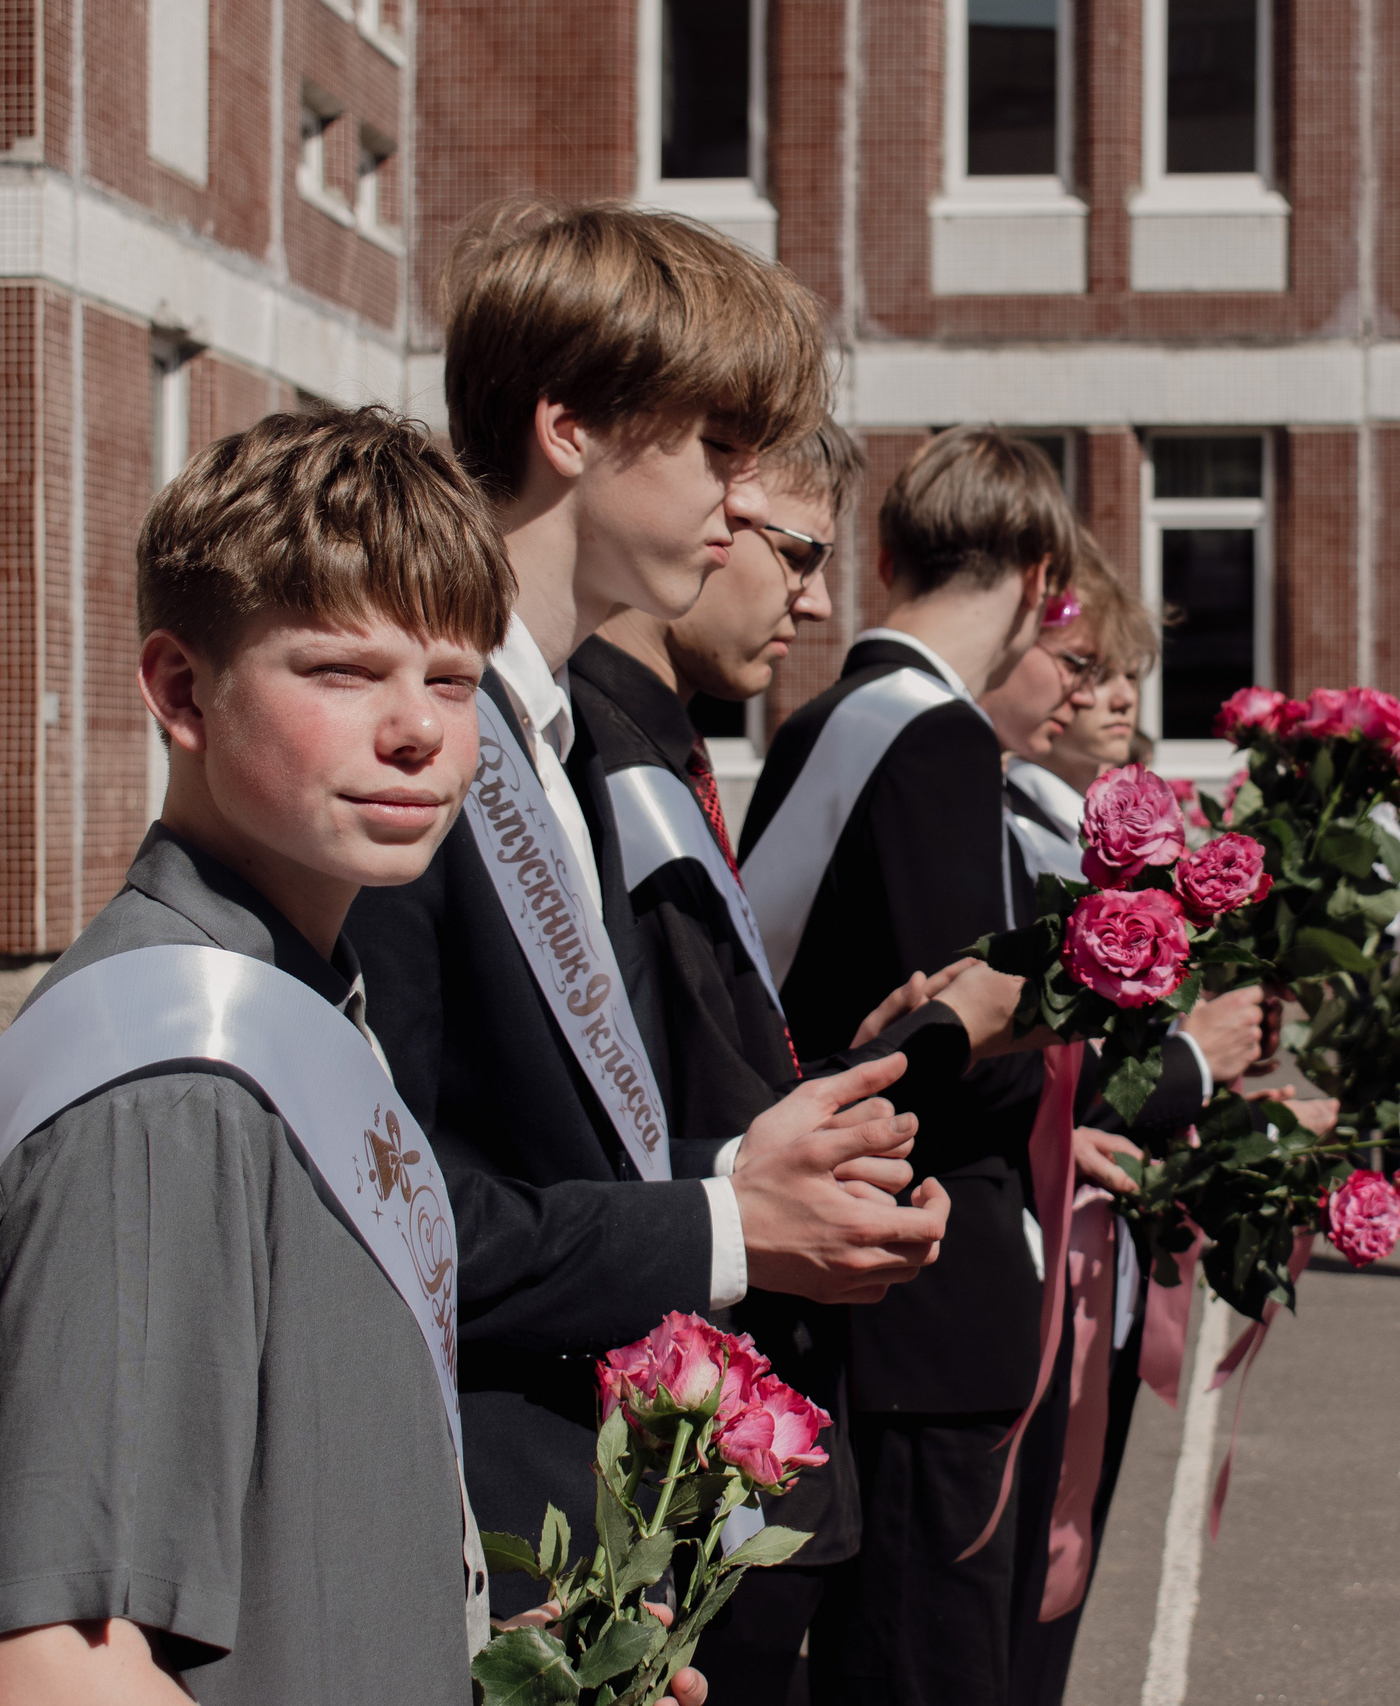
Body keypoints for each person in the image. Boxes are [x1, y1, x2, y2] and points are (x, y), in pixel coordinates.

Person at [0, 409, 714, 1705]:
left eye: (452, 679)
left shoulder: (302, 1004)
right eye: (342, 671)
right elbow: (57, 1667)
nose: (417, 730)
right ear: (181, 688)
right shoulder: (168, 1085)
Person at [345, 201, 951, 1612]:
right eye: (716, 452)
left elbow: (559, 1132)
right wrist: (733, 1223)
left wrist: (762, 1157)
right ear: (569, 428)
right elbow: (396, 1210)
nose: (747, 505)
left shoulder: (549, 734)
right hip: (477, 1544)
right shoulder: (410, 751)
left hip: (590, 1526)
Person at [578, 417, 1028, 1703]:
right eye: (788, 548)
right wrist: (953, 1034)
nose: (820, 596)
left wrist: (866, 1051)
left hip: (739, 1363)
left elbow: (707, 1064)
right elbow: (624, 1117)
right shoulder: (598, 749)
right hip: (708, 1369)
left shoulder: (700, 738)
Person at [738, 426, 1078, 1706]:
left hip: (845, 1293)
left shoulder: (822, 717)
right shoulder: (932, 734)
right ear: (1044, 576)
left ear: (881, 552)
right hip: (924, 1310)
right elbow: (958, 1040)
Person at [978, 549, 1266, 1706]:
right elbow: (1059, 1067)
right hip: (1041, 1236)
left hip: (1103, 1223)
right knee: (1027, 1547)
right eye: (1085, 667)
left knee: (1068, 1532)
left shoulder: (1109, 828)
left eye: (1129, 673)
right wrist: (1195, 1058)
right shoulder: (1008, 830)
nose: (1112, 697)